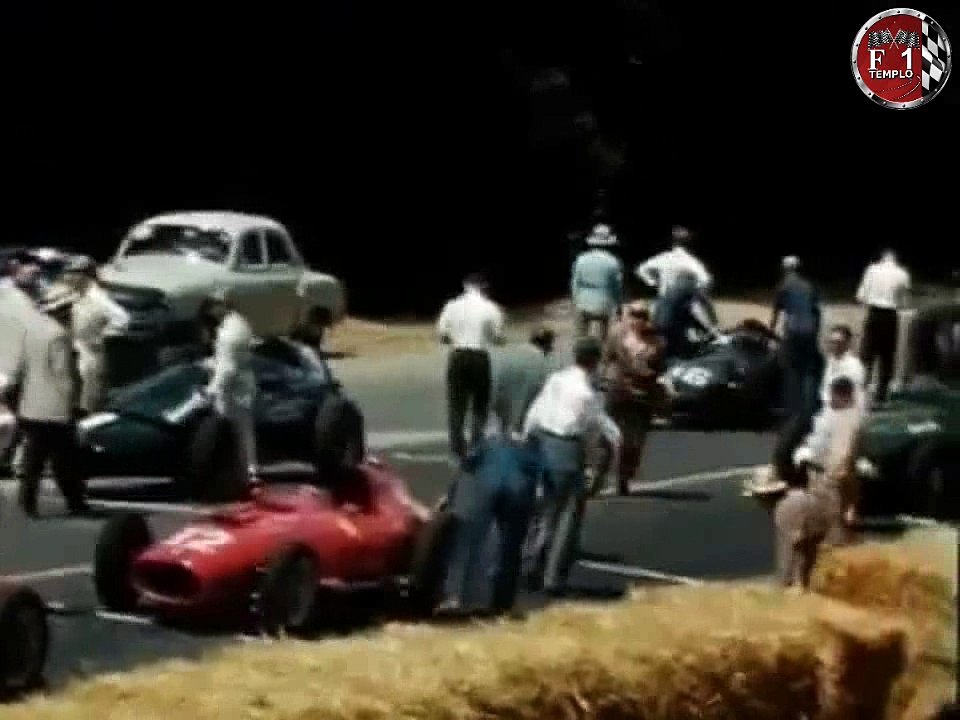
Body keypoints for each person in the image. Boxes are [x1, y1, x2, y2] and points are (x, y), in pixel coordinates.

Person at [521, 336, 623, 596]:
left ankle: (531, 565)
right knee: (567, 516)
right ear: (595, 361)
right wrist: (602, 460)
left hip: (542, 441)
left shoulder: (557, 379)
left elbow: (535, 413)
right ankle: (553, 577)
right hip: (566, 449)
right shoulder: (587, 393)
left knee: (543, 510)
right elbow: (595, 429)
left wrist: (527, 441)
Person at [5, 283, 87, 517]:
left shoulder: (31, 331)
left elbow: (18, 367)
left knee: (34, 457)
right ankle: (74, 500)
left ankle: (27, 501)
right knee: (65, 458)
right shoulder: (59, 335)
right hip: (55, 406)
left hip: (31, 405)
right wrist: (73, 404)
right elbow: (64, 375)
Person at [440, 433, 544, 615]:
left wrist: (451, 494)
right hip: (518, 480)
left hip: (484, 474)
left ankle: (456, 595)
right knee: (511, 546)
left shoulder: (484, 443)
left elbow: (465, 461)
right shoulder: (530, 445)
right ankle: (502, 601)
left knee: (467, 538)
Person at [436, 273, 505, 461]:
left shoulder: (452, 306)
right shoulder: (491, 308)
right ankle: (476, 444)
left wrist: (456, 337)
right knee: (480, 404)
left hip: (458, 354)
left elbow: (442, 334)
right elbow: (497, 336)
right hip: (479, 355)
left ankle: (457, 447)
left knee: (456, 404)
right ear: (484, 287)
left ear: (465, 286)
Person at [602, 302, 666, 494]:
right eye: (634, 315)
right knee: (607, 434)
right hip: (618, 389)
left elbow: (659, 368)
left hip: (642, 394)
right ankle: (598, 475)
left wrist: (649, 373)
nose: (637, 320)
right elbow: (606, 359)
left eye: (642, 316)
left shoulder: (657, 342)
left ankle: (624, 476)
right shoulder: (616, 334)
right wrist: (604, 378)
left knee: (634, 441)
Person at [793, 377, 864, 544]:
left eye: (834, 396)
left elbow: (843, 453)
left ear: (844, 396)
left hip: (827, 473)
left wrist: (836, 473)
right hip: (818, 469)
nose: (830, 399)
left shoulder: (847, 420)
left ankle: (836, 543)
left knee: (831, 515)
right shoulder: (830, 414)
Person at [203, 290, 259, 485]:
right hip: (243, 385)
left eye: (213, 306)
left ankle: (241, 473)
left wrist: (211, 390)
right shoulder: (239, 323)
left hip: (233, 390)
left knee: (233, 431)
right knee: (244, 431)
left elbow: (228, 368)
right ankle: (249, 470)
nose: (211, 311)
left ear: (222, 306)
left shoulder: (229, 333)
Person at [62, 257, 131, 415]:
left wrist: (102, 336)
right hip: (78, 350)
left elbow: (123, 319)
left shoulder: (98, 298)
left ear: (84, 275)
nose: (67, 277)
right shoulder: (78, 294)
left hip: (91, 355)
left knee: (90, 399)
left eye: (72, 272)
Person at [856, 248, 911, 404]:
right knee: (887, 356)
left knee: (867, 354)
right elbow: (903, 301)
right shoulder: (903, 274)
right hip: (890, 315)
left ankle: (862, 390)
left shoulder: (872, 270)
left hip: (874, 313)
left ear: (882, 258)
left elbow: (860, 296)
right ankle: (881, 395)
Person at [771, 256, 823, 418]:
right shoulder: (809, 285)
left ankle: (792, 409)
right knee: (809, 370)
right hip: (810, 331)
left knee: (792, 369)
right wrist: (815, 332)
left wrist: (770, 333)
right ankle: (810, 407)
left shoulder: (783, 286)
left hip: (793, 331)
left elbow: (776, 313)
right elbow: (817, 312)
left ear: (784, 269)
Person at [492, 325, 555, 436]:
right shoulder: (540, 361)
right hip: (519, 407)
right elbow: (535, 395)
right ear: (547, 346)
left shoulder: (515, 349)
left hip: (497, 390)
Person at [570, 224, 623, 341]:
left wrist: (575, 301)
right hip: (604, 305)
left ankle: (581, 349)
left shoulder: (580, 259)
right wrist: (619, 307)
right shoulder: (613, 261)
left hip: (583, 303)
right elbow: (617, 288)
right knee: (605, 337)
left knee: (580, 337)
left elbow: (575, 284)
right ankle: (604, 348)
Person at [652, 269, 719, 360]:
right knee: (690, 353)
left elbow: (655, 308)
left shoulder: (669, 291)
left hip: (657, 326)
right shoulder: (690, 290)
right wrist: (713, 331)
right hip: (671, 328)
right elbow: (697, 311)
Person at [635, 225, 712, 298]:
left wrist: (654, 282)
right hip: (683, 301)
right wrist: (695, 290)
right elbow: (705, 280)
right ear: (689, 243)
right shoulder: (690, 260)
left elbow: (640, 270)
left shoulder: (663, 258)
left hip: (664, 299)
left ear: (672, 242)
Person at [821, 325, 867, 412]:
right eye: (832, 342)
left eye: (839, 342)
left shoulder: (854, 365)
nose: (835, 346)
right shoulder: (829, 362)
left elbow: (851, 396)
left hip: (847, 410)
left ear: (847, 343)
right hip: (829, 408)